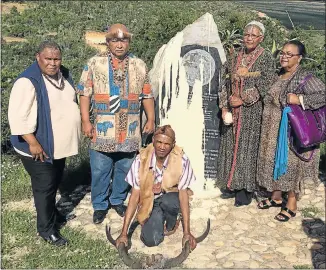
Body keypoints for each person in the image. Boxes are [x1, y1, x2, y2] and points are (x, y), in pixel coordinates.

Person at [77, 24, 155, 224]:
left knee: (125, 167)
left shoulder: (139, 65)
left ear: (129, 41)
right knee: (100, 169)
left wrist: (151, 118)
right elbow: (84, 94)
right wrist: (86, 121)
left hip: (130, 129)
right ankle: (100, 205)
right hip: (102, 128)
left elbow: (146, 94)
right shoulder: (94, 63)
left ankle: (118, 199)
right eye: (115, 40)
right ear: (108, 41)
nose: (119, 45)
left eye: (123, 40)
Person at [8, 41, 81, 246]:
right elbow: (17, 116)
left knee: (55, 180)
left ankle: (53, 214)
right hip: (39, 147)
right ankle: (46, 230)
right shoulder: (27, 81)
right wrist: (33, 142)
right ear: (37, 57)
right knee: (45, 186)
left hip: (58, 145)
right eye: (48, 59)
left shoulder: (63, 74)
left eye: (56, 59)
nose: (52, 63)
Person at [257, 40, 325, 221]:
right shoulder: (278, 75)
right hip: (271, 130)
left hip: (290, 132)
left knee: (291, 166)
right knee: (275, 163)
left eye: (289, 54)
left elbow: (323, 95)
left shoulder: (305, 77)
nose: (284, 57)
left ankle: (292, 203)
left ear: (299, 58)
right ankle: (276, 196)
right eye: (282, 53)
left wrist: (300, 99)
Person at [216, 21, 277, 206]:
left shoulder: (265, 58)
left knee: (247, 149)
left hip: (251, 111)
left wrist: (243, 99)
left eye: (253, 35)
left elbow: (267, 82)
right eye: (247, 34)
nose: (249, 38)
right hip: (232, 110)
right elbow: (224, 79)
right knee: (229, 145)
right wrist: (225, 105)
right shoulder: (235, 56)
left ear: (261, 38)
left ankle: (244, 189)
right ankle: (230, 185)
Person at [115, 125, 197, 249]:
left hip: (171, 198)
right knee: (151, 240)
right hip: (150, 202)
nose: (162, 147)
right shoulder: (140, 160)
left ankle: (173, 219)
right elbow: (134, 196)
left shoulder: (182, 160)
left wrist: (187, 232)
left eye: (166, 144)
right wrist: (123, 233)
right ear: (153, 140)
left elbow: (183, 194)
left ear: (173, 144)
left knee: (168, 201)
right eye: (159, 142)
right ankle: (157, 218)